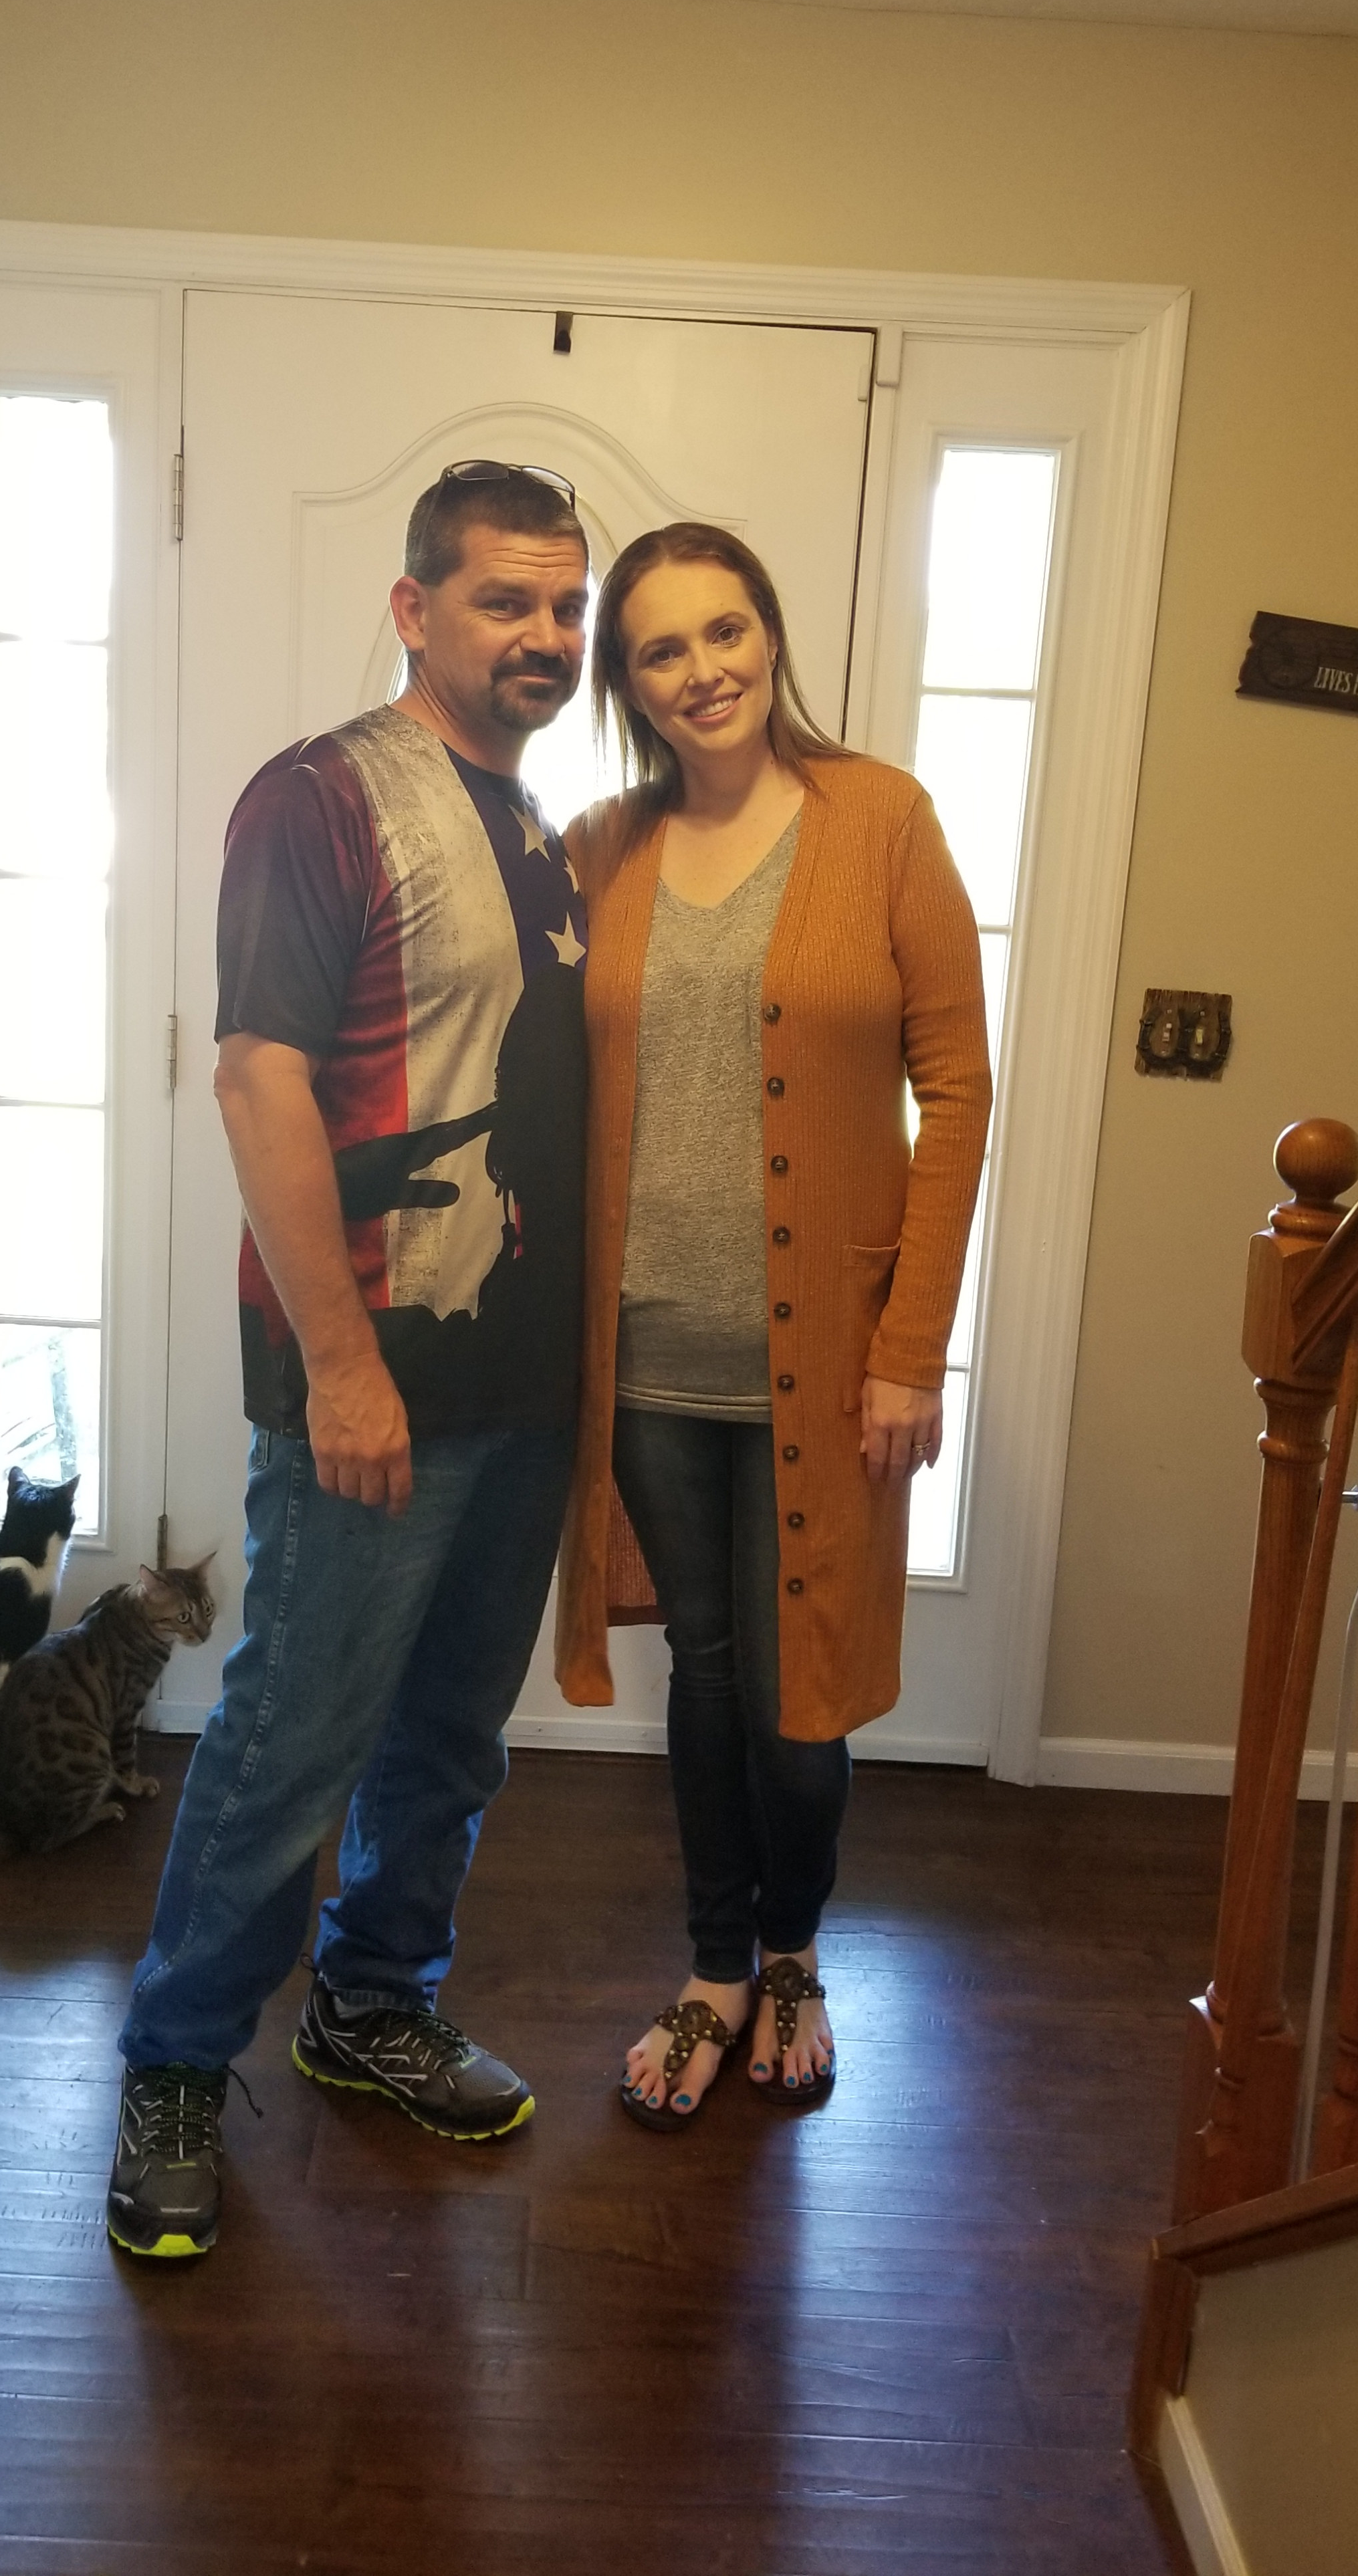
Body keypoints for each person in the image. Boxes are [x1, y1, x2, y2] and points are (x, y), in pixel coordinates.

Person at [108, 462, 592, 2257]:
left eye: (565, 605)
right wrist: (341, 1365)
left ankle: (374, 2001)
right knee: (288, 1738)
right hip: (371, 1384)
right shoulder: (320, 799)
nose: (544, 635)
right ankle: (175, 2062)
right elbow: (260, 1079)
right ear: (413, 608)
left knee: (449, 1738)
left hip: (520, 1386)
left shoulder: (537, 824)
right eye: (503, 599)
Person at [554, 523, 991, 2126]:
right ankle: (716, 1964)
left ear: (771, 632)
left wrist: (911, 1347)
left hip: (828, 1366)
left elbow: (960, 1089)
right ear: (629, 685)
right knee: (713, 1670)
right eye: (661, 650)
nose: (703, 670)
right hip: (650, 1361)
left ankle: (796, 1950)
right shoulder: (601, 848)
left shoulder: (881, 820)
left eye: (724, 630)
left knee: (801, 1699)